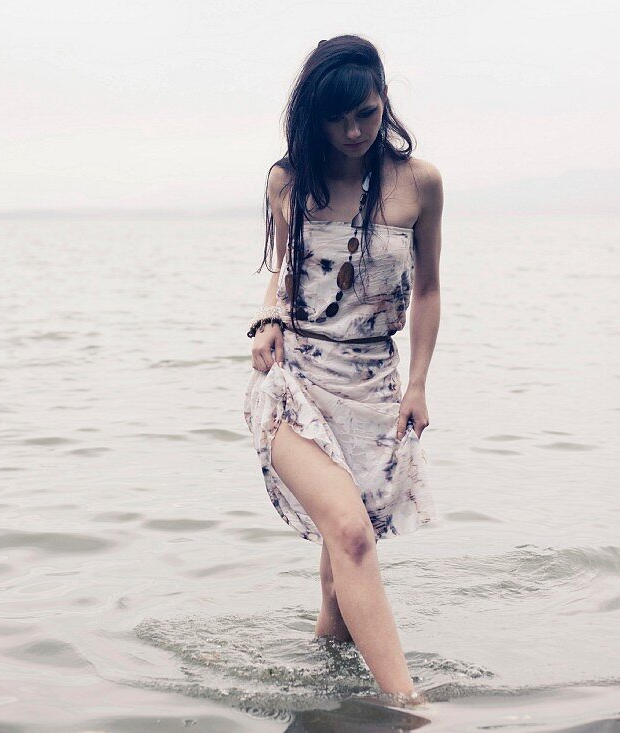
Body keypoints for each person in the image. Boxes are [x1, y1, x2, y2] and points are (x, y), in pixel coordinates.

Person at [241, 34, 442, 707]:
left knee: (337, 579)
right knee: (352, 535)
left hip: (374, 390)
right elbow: (284, 269)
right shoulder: (288, 180)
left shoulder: (420, 185)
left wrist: (417, 383)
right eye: (338, 118)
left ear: (383, 98)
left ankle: (326, 699)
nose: (354, 130)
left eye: (366, 111)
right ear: (313, 117)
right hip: (294, 384)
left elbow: (430, 290)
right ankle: (409, 709)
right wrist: (266, 318)